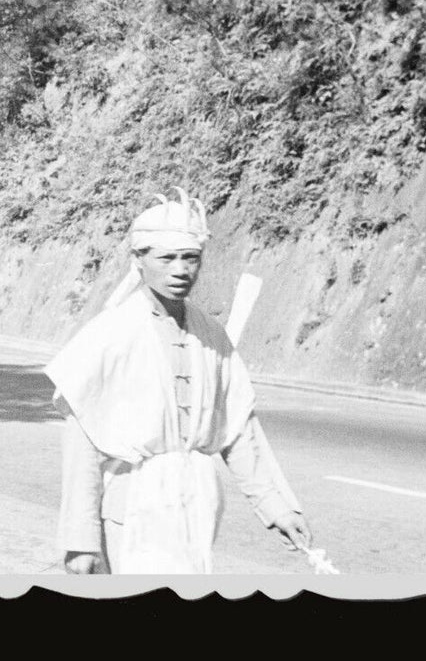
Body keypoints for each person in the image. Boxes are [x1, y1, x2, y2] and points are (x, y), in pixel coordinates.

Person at [46, 187, 313, 574]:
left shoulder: (211, 334)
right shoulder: (111, 334)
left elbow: (237, 428)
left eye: (190, 258)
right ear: (139, 260)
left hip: (196, 506)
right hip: (131, 508)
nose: (180, 270)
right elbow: (83, 443)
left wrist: (277, 507)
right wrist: (80, 540)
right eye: (166, 258)